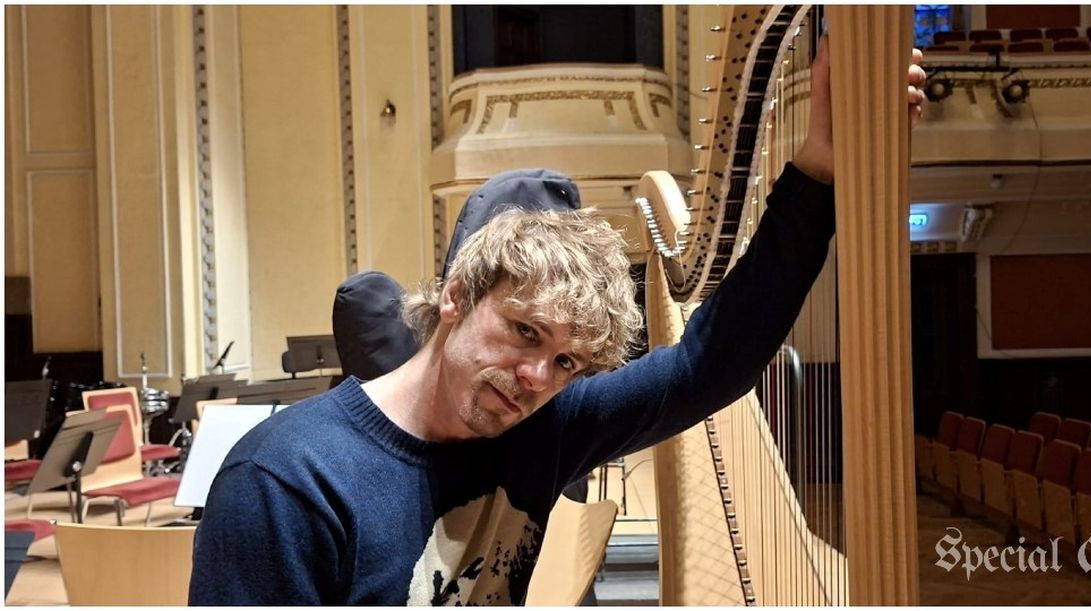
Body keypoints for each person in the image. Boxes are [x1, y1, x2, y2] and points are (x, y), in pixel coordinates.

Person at [189, 41, 927, 605]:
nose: (537, 377)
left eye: (568, 362)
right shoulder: (287, 483)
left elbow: (710, 363)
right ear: (456, 296)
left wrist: (819, 168)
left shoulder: (541, 428)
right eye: (525, 332)